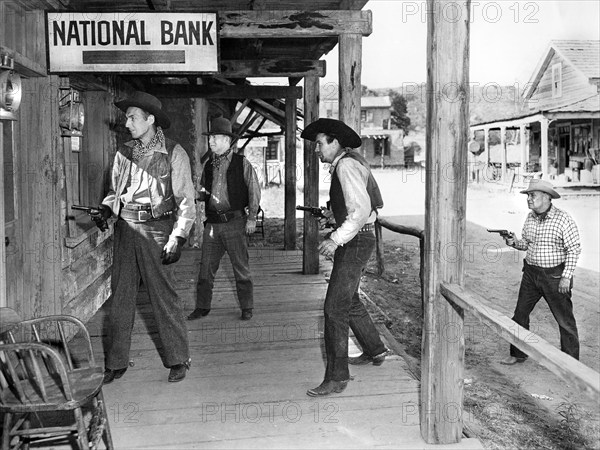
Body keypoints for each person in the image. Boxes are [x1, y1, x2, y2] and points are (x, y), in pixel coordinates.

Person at [92, 91, 196, 383]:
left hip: (157, 229)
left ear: (150, 119)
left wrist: (178, 236)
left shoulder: (174, 153)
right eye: (127, 117)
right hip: (126, 228)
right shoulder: (124, 153)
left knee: (164, 296)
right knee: (121, 297)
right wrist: (105, 211)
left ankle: (178, 358)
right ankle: (116, 362)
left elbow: (186, 201)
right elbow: (114, 193)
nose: (127, 123)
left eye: (132, 117)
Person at [300, 118, 388, 397]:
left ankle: (337, 377)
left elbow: (360, 211)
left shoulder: (347, 166)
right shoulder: (347, 162)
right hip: (359, 236)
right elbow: (357, 207)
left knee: (333, 309)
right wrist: (332, 217)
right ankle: (375, 349)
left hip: (356, 240)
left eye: (319, 143)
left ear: (334, 142)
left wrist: (335, 238)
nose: (316, 150)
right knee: (348, 300)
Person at [500, 178, 581, 365]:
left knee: (565, 322)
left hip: (555, 276)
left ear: (546, 197)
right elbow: (526, 244)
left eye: (532, 195)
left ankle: (571, 366)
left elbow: (574, 249)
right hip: (530, 274)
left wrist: (566, 277)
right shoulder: (530, 217)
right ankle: (518, 354)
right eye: (528, 195)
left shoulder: (563, 219)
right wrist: (513, 241)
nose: (528, 199)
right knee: (520, 314)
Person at [187, 117, 261, 322]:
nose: (211, 142)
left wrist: (252, 218)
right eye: (210, 138)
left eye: (216, 138)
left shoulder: (241, 163)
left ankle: (247, 308)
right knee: (205, 269)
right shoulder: (209, 165)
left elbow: (254, 190)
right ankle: (202, 307)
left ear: (228, 141)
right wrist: (192, 194)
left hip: (235, 223)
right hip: (212, 225)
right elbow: (203, 191)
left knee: (241, 268)